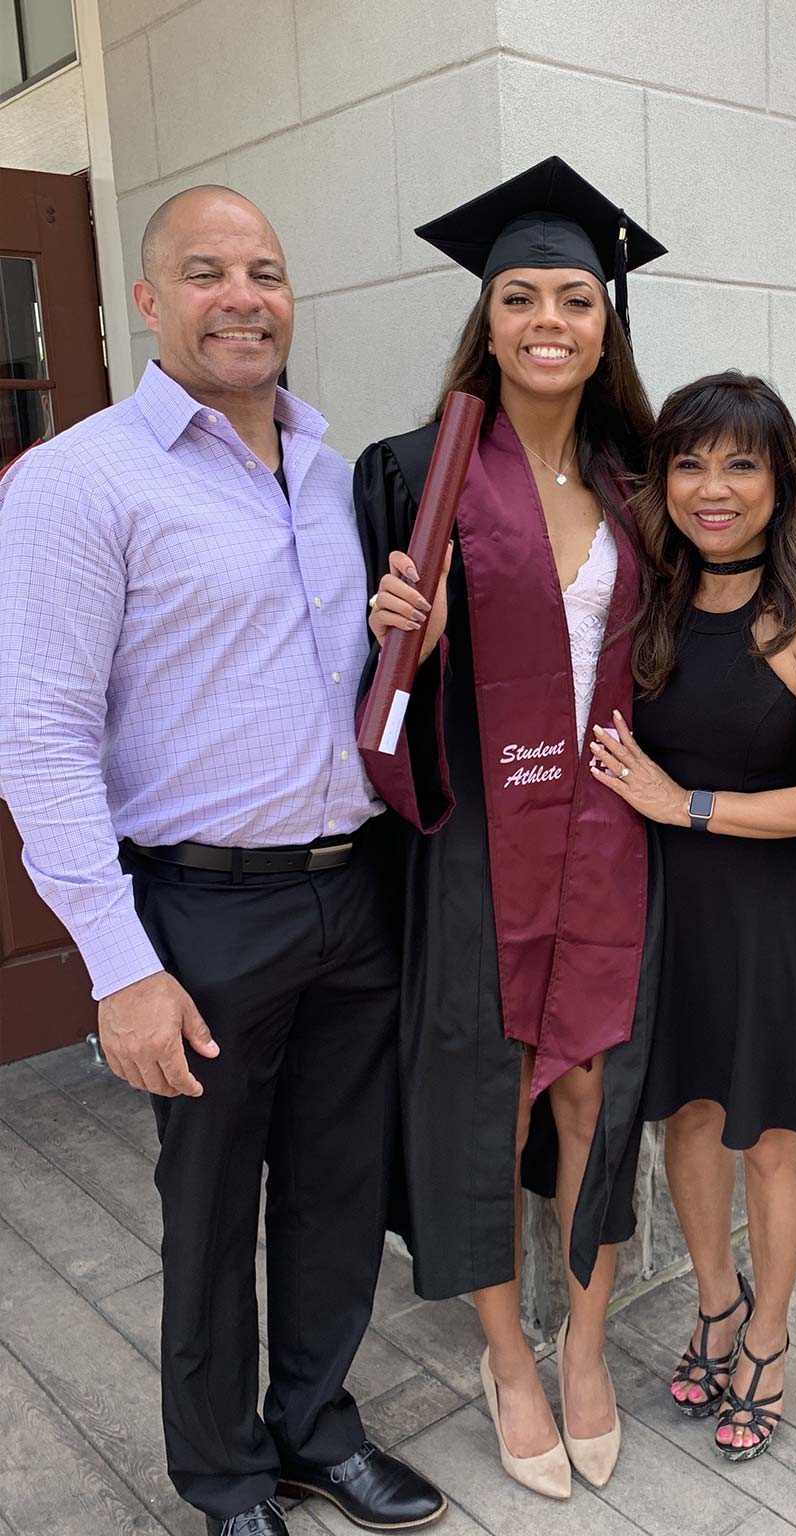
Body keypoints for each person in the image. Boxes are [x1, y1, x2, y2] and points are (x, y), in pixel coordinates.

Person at [0, 186, 445, 1536]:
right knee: (208, 1210)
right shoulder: (80, 481)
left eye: (265, 268)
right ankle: (221, 1470)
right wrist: (119, 968)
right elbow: (40, 735)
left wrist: (398, 642)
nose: (242, 295)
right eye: (205, 272)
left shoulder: (332, 470)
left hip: (350, 891)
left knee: (334, 1190)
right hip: (198, 909)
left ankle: (314, 1426)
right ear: (148, 301)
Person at [358, 157, 663, 1500]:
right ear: (484, 318)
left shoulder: (642, 478)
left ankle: (584, 1337)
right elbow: (368, 700)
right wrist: (395, 651)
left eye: (577, 298)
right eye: (520, 296)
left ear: (607, 325)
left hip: (612, 830)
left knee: (597, 1081)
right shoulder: (410, 477)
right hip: (478, 836)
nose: (549, 320)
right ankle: (505, 1350)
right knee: (483, 1087)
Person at [588, 371, 796, 1462]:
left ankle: (766, 1335)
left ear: (779, 481)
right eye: (692, 462)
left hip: (769, 914)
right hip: (666, 911)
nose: (715, 487)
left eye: (742, 463)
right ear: (663, 481)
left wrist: (685, 803)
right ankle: (715, 1299)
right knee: (692, 1120)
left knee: (768, 1135)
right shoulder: (649, 606)